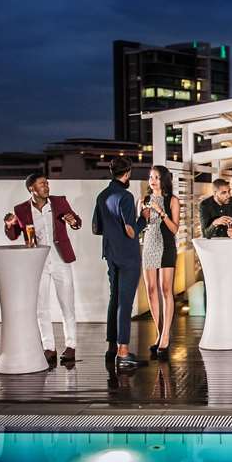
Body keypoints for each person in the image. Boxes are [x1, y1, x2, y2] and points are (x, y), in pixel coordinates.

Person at [4, 172, 82, 364]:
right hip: (38, 263)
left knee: (67, 305)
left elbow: (76, 222)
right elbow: (13, 236)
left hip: (61, 259)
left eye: (47, 183)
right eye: (42, 184)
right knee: (41, 308)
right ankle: (49, 348)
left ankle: (71, 346)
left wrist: (73, 221)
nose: (46, 186)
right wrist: (9, 225)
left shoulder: (59, 202)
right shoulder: (21, 209)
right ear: (32, 188)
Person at [92, 157, 147, 369]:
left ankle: (111, 348)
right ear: (128, 173)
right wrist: (143, 218)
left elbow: (96, 228)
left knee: (114, 299)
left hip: (110, 253)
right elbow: (131, 231)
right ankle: (123, 352)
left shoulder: (102, 195)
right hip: (128, 255)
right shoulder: (125, 196)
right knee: (125, 302)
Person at [141, 165, 181, 357]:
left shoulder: (172, 200)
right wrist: (143, 217)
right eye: (151, 177)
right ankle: (159, 333)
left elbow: (174, 229)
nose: (153, 181)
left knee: (166, 289)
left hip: (166, 246)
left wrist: (161, 212)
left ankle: (165, 335)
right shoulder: (143, 200)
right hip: (149, 244)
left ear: (164, 180)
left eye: (156, 177)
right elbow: (140, 226)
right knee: (151, 290)